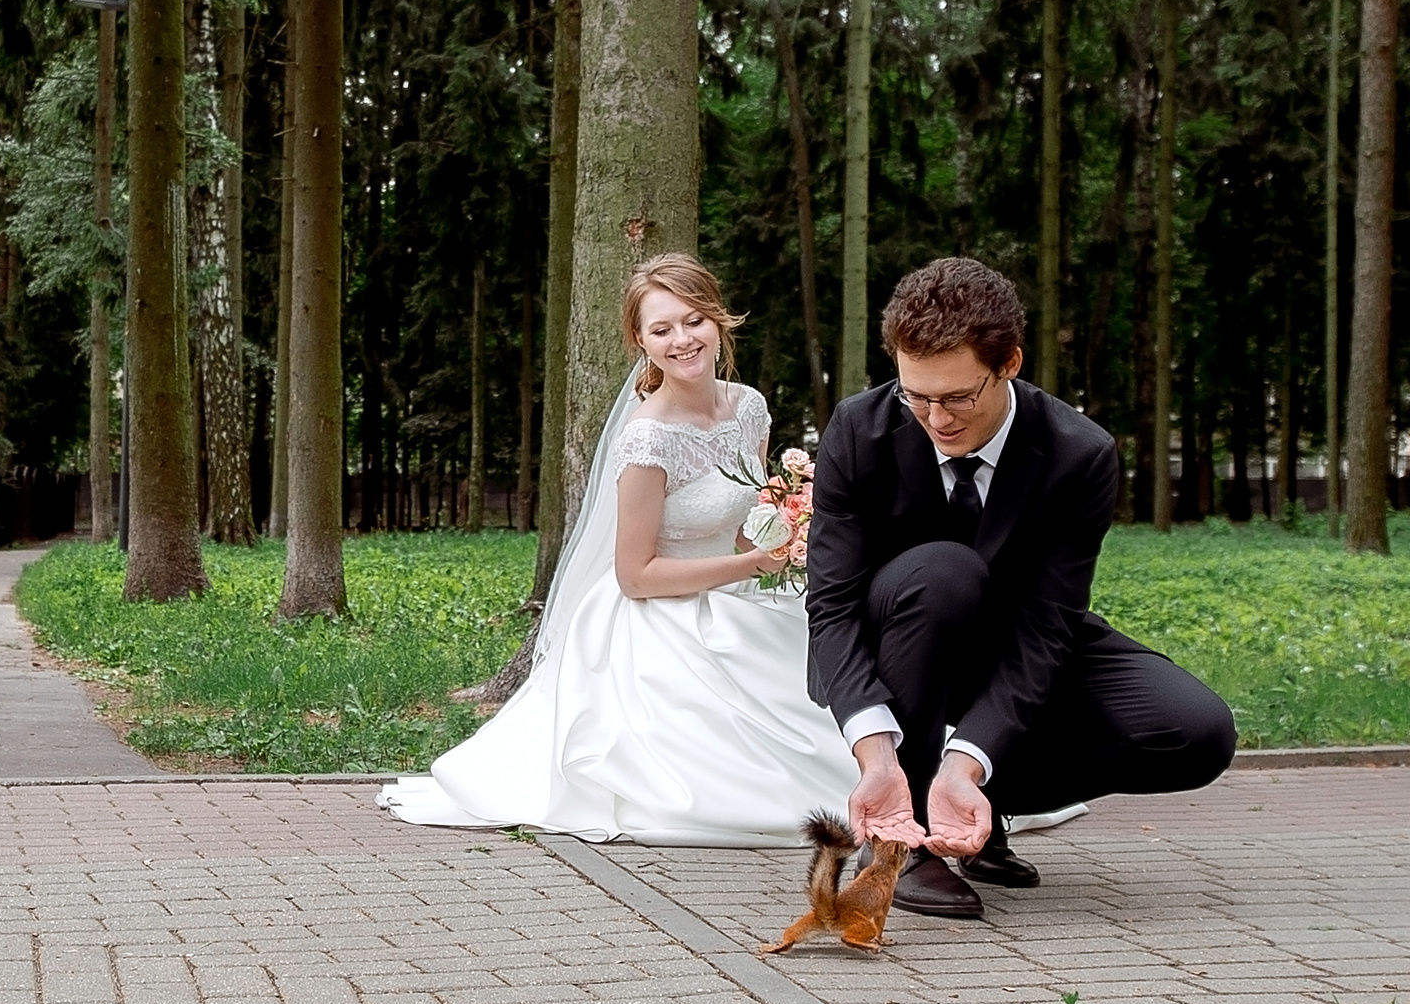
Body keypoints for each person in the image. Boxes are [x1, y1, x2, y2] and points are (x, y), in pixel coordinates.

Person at [805, 256, 1237, 919]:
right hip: (893, 635)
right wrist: (876, 756)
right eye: (914, 394)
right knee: (944, 571)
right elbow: (831, 604)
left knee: (1195, 732)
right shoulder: (857, 430)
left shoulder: (1078, 452)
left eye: (956, 397)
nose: (934, 418)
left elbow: (1046, 622)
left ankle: (969, 804)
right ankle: (901, 843)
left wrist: (971, 764)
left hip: (1013, 633)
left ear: (1008, 362)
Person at [380, 254, 859, 843]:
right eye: (662, 329)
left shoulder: (748, 406)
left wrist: (787, 533)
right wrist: (750, 563)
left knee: (823, 681)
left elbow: (746, 515)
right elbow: (635, 575)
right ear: (641, 340)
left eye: (693, 321)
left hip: (739, 588)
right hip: (660, 612)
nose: (682, 340)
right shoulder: (648, 437)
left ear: (719, 320)